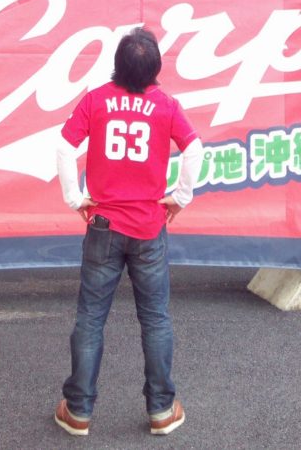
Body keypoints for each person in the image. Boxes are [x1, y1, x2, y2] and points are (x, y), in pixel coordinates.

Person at [55, 26, 204, 436]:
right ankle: (161, 410)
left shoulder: (96, 100)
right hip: (148, 228)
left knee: (90, 319)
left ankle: (78, 411)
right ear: (155, 69)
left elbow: (65, 147)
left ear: (117, 65)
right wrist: (180, 197)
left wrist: (75, 198)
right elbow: (194, 149)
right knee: (155, 319)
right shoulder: (167, 105)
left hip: (103, 226)